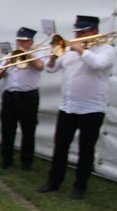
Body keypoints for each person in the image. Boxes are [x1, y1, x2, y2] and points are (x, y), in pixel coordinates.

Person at [39, 15, 116, 199]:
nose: (78, 35)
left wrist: (81, 50)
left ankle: (80, 186)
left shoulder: (107, 49)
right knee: (60, 147)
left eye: (83, 32)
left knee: (86, 150)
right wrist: (52, 57)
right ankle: (54, 181)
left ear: (95, 32)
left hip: (92, 109)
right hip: (67, 107)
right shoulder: (69, 51)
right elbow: (51, 69)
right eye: (77, 32)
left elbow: (98, 64)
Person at [0, 27, 44, 170]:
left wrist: (27, 55)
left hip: (28, 97)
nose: (21, 44)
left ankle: (26, 161)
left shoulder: (37, 54)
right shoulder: (9, 55)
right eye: (19, 41)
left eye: (25, 41)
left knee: (28, 130)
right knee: (7, 129)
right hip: (10, 96)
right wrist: (7, 62)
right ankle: (6, 158)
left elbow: (40, 66)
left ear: (31, 42)